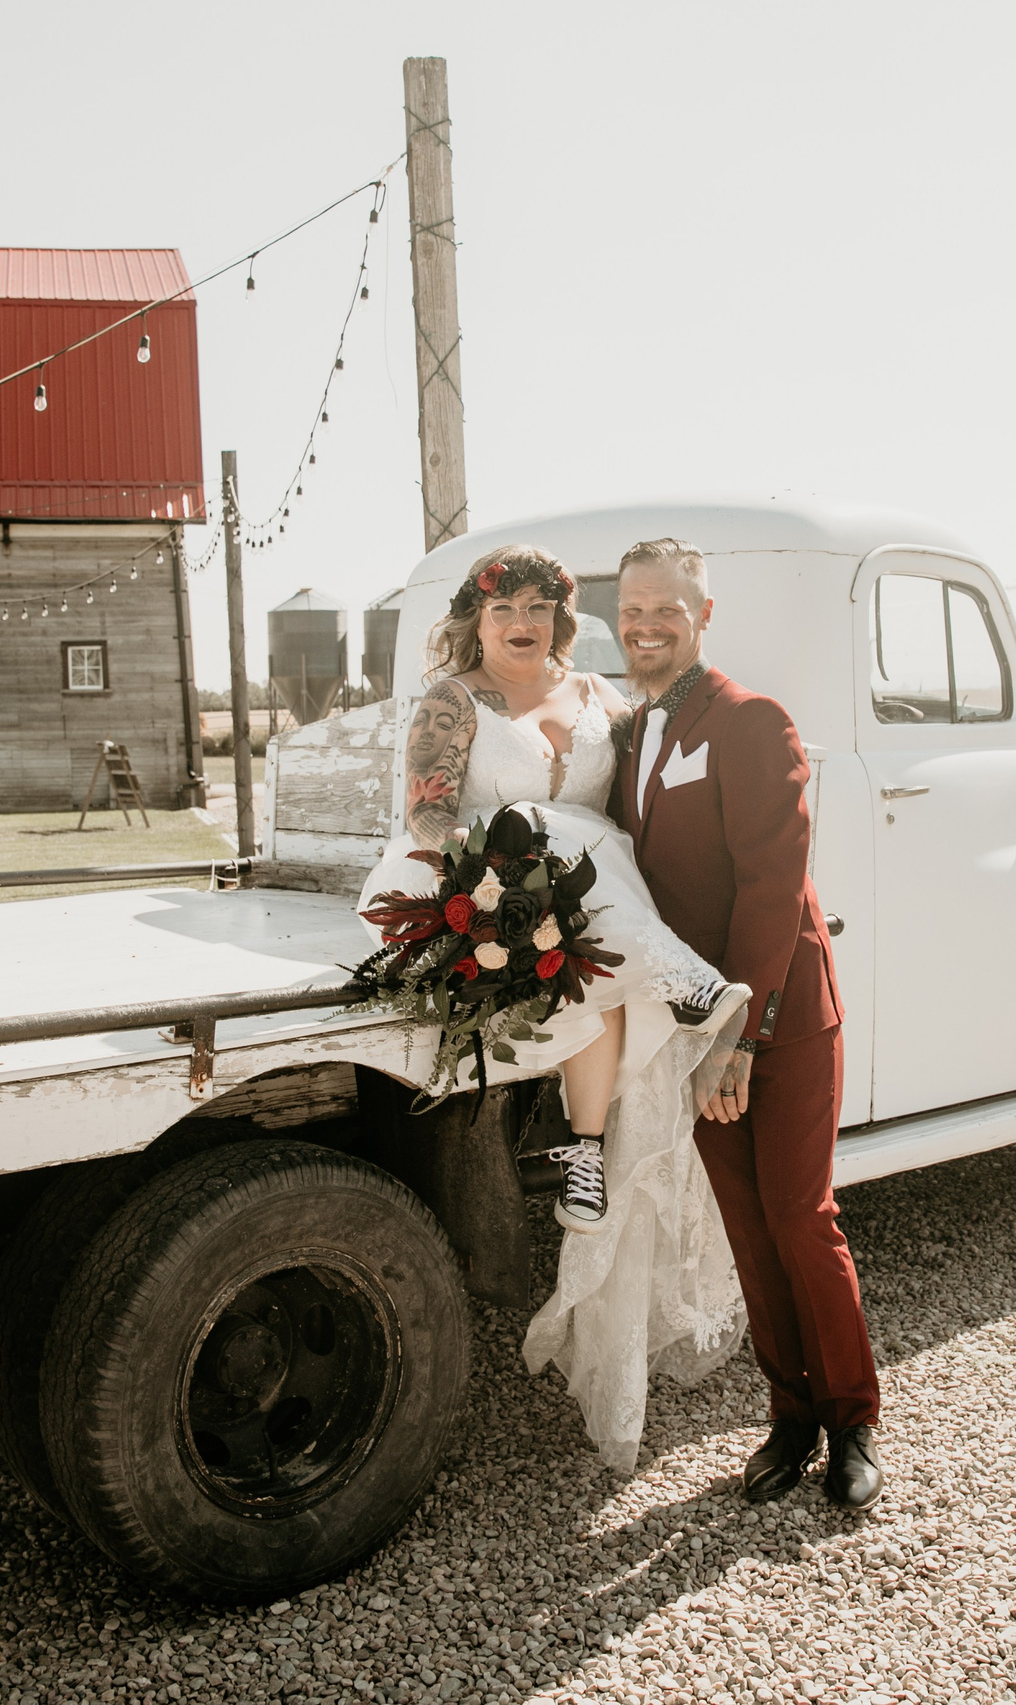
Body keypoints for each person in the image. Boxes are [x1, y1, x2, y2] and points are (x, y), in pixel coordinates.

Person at [359, 544, 749, 1469]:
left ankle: (583, 1151)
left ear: (561, 620)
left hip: (581, 909)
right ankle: (683, 985)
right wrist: (505, 884)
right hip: (475, 888)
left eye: (539, 606)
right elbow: (429, 814)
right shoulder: (455, 700)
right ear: (477, 620)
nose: (521, 622)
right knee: (541, 834)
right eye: (505, 610)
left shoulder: (601, 700)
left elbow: (652, 788)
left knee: (589, 894)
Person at [610, 537, 885, 1511]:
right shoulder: (631, 735)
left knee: (800, 1220)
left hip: (782, 1016)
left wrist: (739, 1036)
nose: (646, 624)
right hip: (695, 1028)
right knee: (748, 1230)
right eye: (632, 608)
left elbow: (772, 892)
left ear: (703, 616)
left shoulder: (752, 721)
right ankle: (790, 1416)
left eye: (666, 609)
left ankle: (853, 1419)